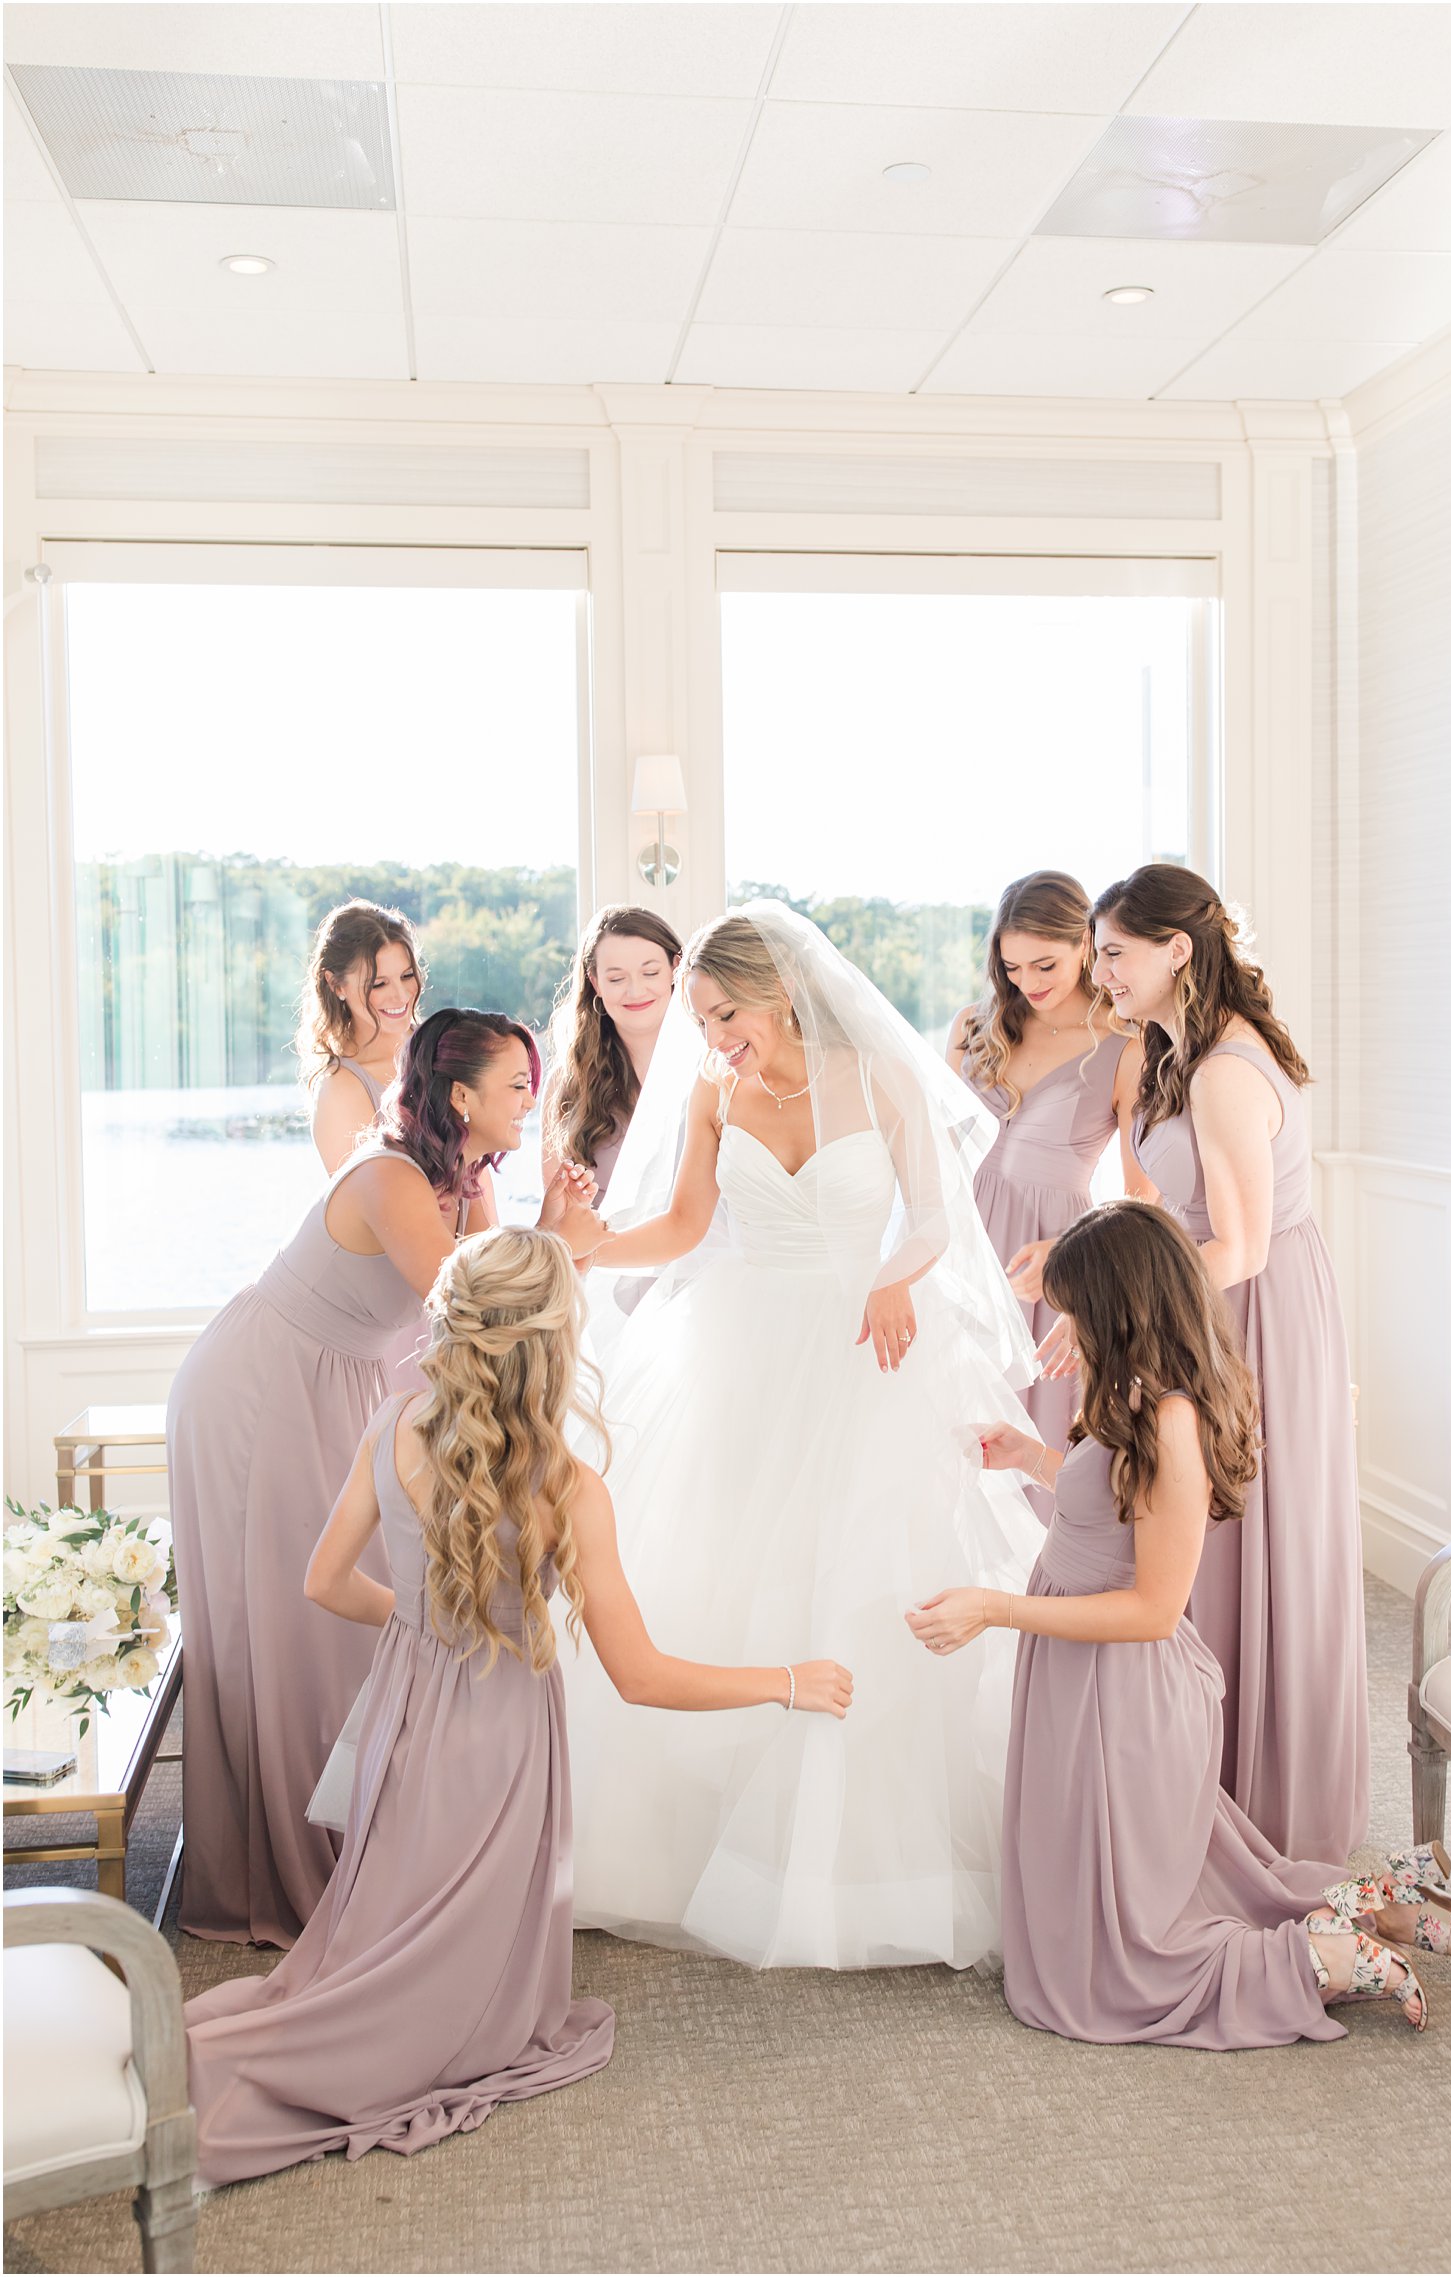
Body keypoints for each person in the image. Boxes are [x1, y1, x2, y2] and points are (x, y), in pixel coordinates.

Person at [184, 1227, 851, 2187]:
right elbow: (642, 1674)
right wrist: (786, 1681)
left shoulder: (394, 1423)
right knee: (443, 1987)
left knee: (392, 1909)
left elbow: (325, 1580)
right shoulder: (567, 1490)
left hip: (404, 1715)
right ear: (550, 1347)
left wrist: (422, 1627)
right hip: (499, 1745)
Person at [562, 902, 1045, 1971]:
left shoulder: (876, 1074)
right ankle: (699, 1840)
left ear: (778, 992)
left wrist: (888, 1279)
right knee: (723, 1560)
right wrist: (589, 1250)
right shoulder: (711, 1086)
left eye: (725, 1012)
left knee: (856, 1569)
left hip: (860, 1342)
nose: (713, 1035)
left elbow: (934, 1218)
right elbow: (686, 1227)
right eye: (701, 1019)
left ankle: (847, 1858)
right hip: (737, 1339)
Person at [907, 1201, 1451, 2047]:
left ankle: (1333, 1961)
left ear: (1117, 1306)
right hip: (1082, 1677)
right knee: (1122, 1915)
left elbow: (1152, 1607)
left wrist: (993, 1607)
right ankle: (1402, 1916)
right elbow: (1111, 1510)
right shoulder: (1128, 1394)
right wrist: (1031, 1457)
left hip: (1124, 1693)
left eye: (1073, 1306)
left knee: (1117, 1967)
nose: (1062, 1322)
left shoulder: (1172, 1420)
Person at [167, 1009, 603, 1946]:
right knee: (287, 1628)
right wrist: (562, 1235)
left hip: (339, 1380)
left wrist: (557, 1231)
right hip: (264, 1381)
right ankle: (275, 1873)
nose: (533, 1099)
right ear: (460, 1096)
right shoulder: (391, 1175)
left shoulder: (469, 1179)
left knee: (334, 1630)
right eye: (518, 1085)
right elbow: (473, 1307)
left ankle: (357, 1844)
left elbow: (507, 1285)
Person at [1075, 865, 1368, 1862]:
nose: (1097, 969)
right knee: (1208, 1546)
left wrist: (1115, 1313)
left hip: (1250, 1317)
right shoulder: (1180, 1055)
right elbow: (1182, 1213)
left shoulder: (1223, 1073)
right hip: (1214, 1306)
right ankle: (1205, 1786)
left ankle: (1259, 1809)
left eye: (1113, 950)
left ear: (1176, 952)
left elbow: (1236, 1247)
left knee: (1243, 1540)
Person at [948, 870, 1148, 1516]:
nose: (1028, 983)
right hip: (960, 1253)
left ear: (1086, 943)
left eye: (1045, 964)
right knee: (949, 1441)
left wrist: (1078, 1268)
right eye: (1012, 967)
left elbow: (1143, 1195)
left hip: (1050, 1265)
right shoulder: (972, 1028)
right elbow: (933, 1152)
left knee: (1034, 1446)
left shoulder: (1125, 1045)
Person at [541, 905, 683, 1204]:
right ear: (595, 982)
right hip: (601, 1249)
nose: (635, 991)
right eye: (617, 979)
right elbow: (557, 1217)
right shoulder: (567, 1083)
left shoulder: (713, 1066)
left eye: (650, 972)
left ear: (676, 968)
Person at [300, 901, 424, 1172]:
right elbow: (366, 1207)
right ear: (336, 985)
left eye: (406, 976)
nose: (401, 996)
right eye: (379, 984)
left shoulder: (439, 1045)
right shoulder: (339, 1089)